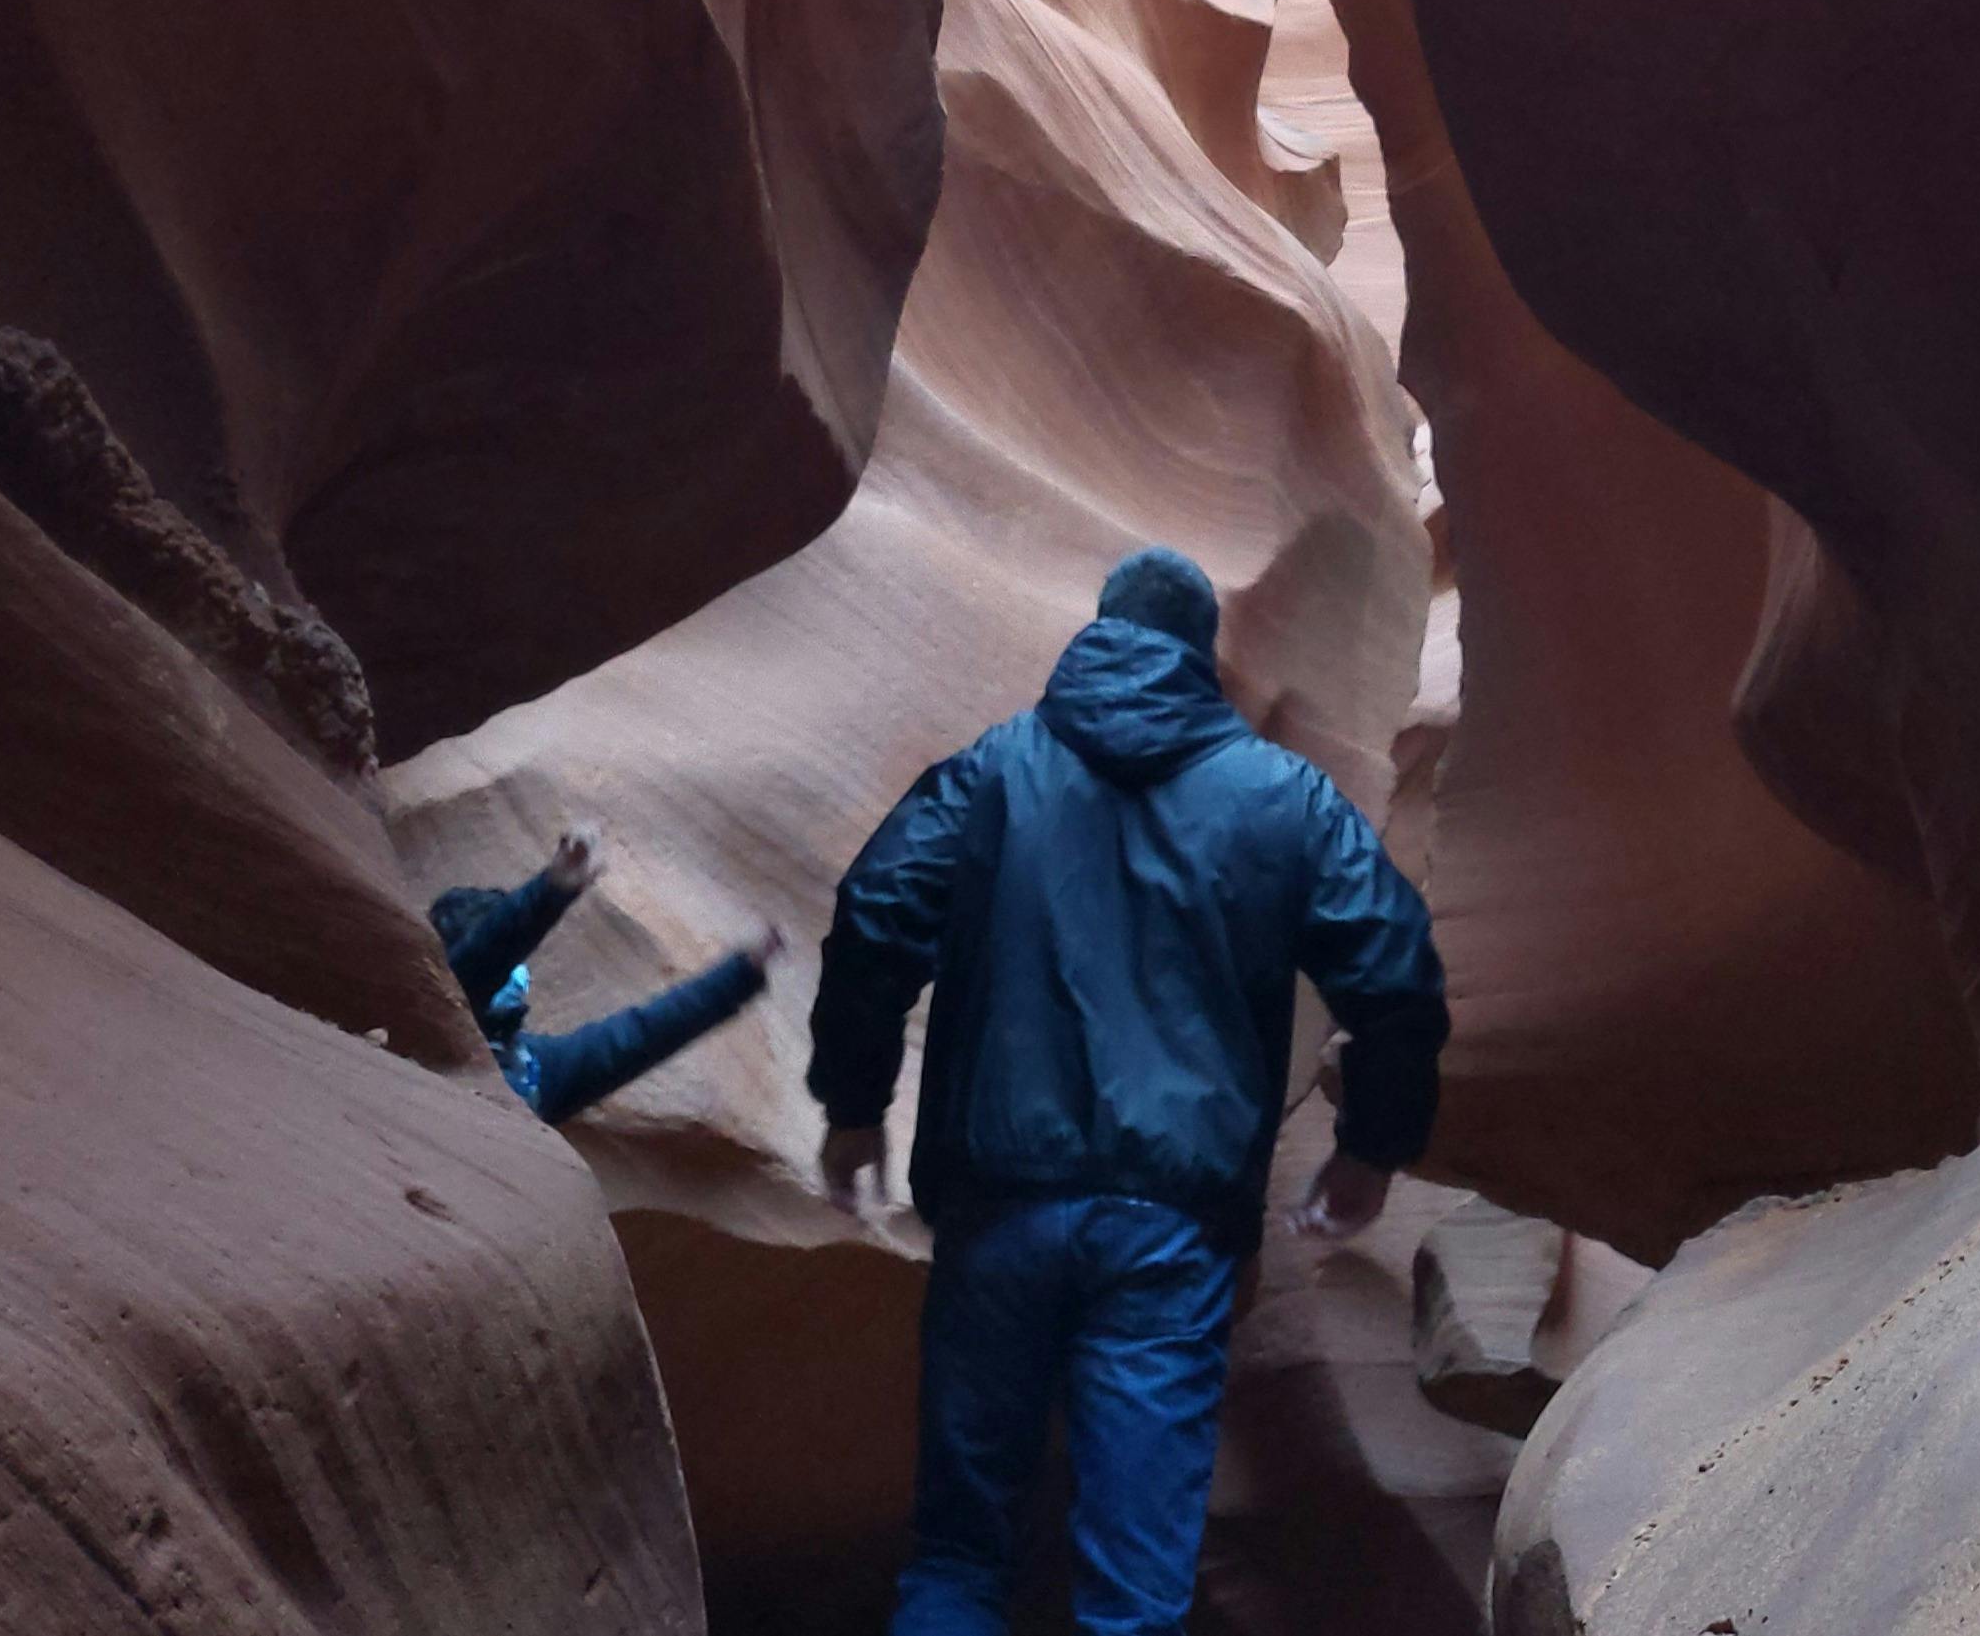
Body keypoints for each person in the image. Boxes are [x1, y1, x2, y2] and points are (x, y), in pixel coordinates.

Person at [808, 546, 1450, 1636]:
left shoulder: (993, 774)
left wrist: (855, 1108)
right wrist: (1371, 1146)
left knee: (961, 1555)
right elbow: (1395, 972)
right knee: (1135, 1593)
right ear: (1200, 656)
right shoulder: (1283, 799)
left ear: (1101, 635)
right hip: (1168, 1234)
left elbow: (874, 919)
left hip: (999, 1211)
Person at [430, 826, 780, 1126]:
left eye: (518, 965)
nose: (517, 976)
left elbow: (639, 1036)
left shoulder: (532, 1069)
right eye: (508, 966)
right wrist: (549, 893)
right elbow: (484, 958)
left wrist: (740, 975)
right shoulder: (428, 1033)